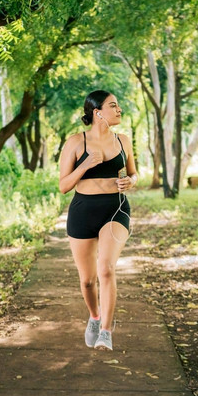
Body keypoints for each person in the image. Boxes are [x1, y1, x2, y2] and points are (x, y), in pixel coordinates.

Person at [58, 90, 137, 351]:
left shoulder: (123, 141)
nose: (119, 110)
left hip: (115, 209)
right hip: (83, 211)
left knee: (106, 268)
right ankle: (94, 316)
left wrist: (130, 181)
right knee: (88, 280)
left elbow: (135, 174)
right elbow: (63, 186)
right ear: (97, 112)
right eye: (113, 105)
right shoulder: (75, 142)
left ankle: (106, 331)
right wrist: (84, 165)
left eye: (119, 105)